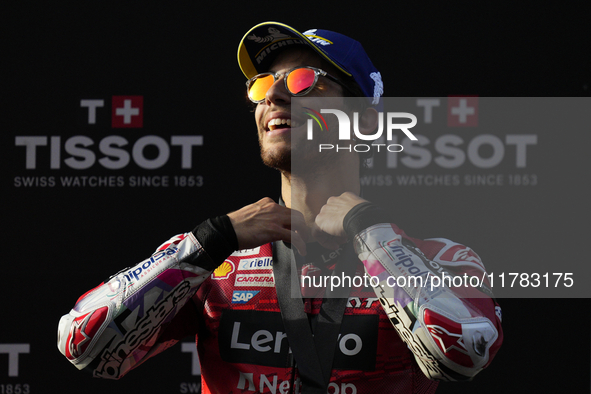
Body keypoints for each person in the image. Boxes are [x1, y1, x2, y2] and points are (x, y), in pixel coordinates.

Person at [57, 22, 503, 394]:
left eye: (304, 80)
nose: (274, 96)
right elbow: (82, 343)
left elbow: (465, 351)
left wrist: (370, 233)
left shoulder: (438, 259)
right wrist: (209, 243)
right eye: (264, 84)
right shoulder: (217, 258)